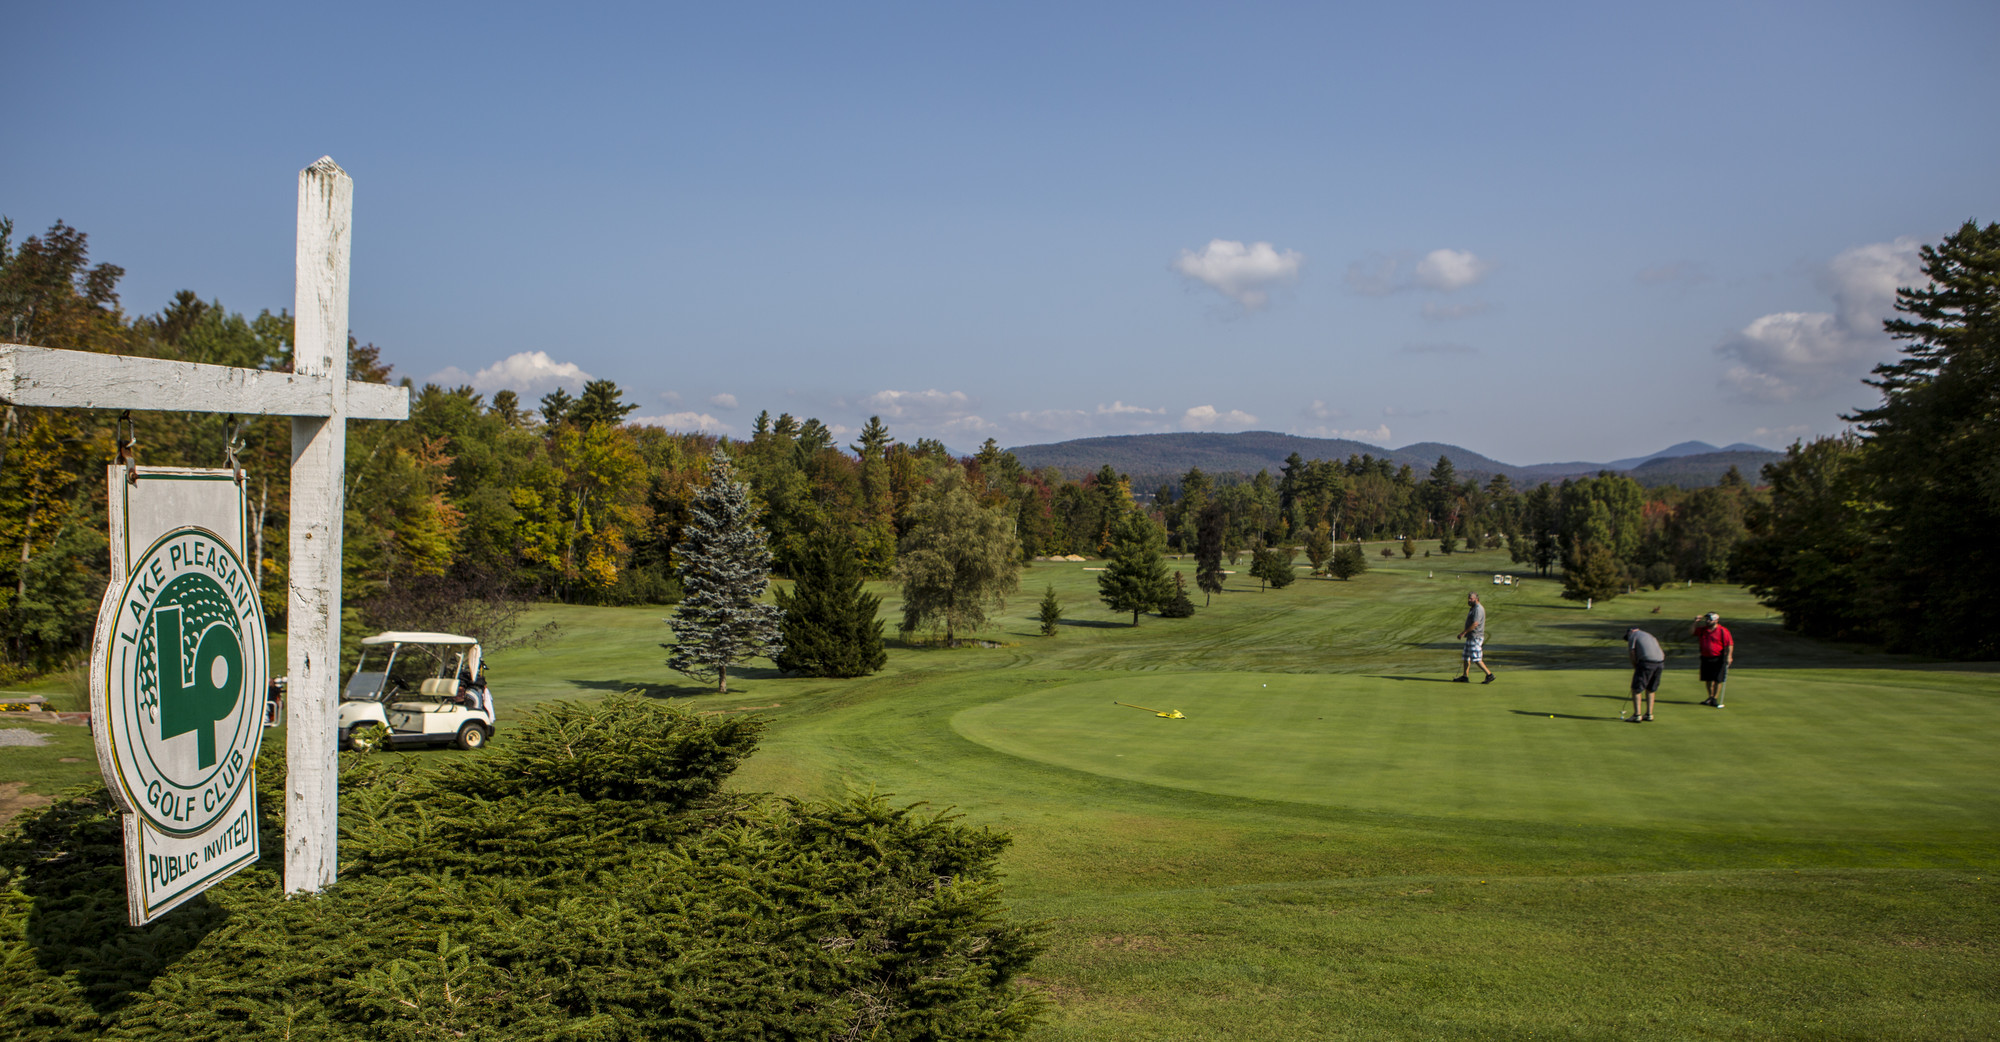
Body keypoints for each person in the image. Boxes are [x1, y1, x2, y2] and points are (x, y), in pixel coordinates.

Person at [1693, 612, 1734, 707]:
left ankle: (1714, 698)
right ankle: (1710, 697)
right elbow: (1692, 632)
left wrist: (1729, 656)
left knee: (1717, 679)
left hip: (1718, 658)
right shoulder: (1703, 630)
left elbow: (1729, 644)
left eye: (1710, 619)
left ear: (1716, 620)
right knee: (1708, 679)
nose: (1707, 621)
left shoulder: (1723, 631)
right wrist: (1695, 622)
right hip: (1705, 657)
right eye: (1707, 619)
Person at [1454, 592, 1495, 684]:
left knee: (1476, 658)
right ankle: (1465, 676)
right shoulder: (1473, 608)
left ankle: (1489, 675)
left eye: (1471, 599)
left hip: (1476, 637)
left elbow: (1475, 624)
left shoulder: (1478, 609)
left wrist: (1463, 633)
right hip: (1471, 637)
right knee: (1466, 657)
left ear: (1476, 599)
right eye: (1468, 598)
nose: (1469, 600)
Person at [1626, 626, 1664, 722]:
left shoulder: (1633, 635)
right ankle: (1649, 714)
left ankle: (1637, 715)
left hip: (1646, 663)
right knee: (1650, 689)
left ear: (1630, 632)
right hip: (1660, 663)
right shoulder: (1649, 635)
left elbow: (1632, 653)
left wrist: (1635, 666)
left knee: (1636, 689)